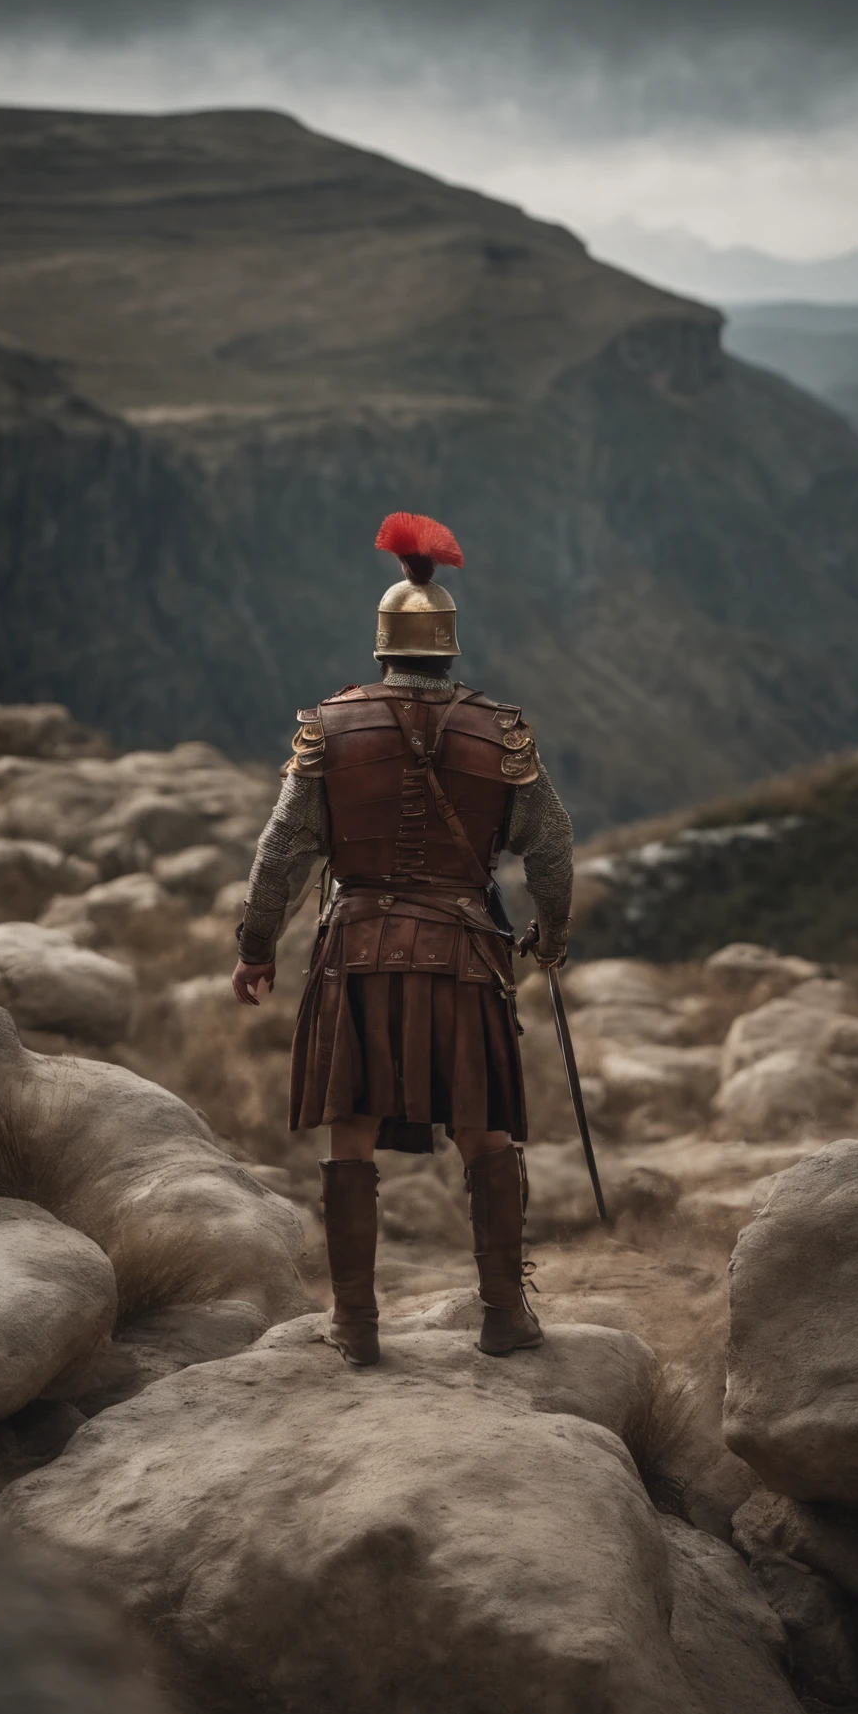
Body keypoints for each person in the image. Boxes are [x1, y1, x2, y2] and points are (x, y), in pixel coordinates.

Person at [232, 512, 573, 1367]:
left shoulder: (331, 730)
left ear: (382, 646)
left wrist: (255, 944)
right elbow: (553, 847)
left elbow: (280, 851)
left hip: (355, 951)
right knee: (483, 1130)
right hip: (463, 953)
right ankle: (504, 1316)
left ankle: (355, 1325)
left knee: (350, 1131)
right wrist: (552, 935)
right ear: (448, 648)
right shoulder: (501, 735)